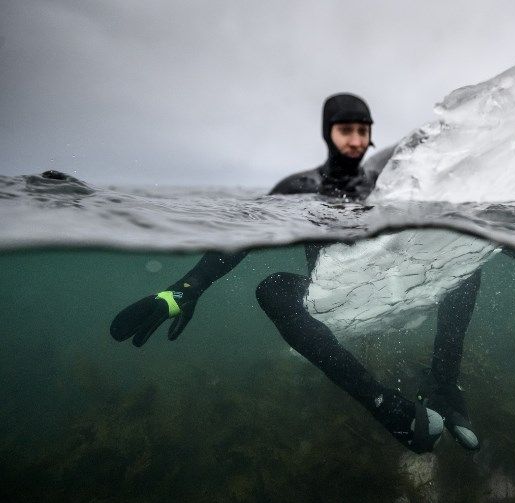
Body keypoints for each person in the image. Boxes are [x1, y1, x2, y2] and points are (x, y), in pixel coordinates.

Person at [110, 93, 481, 453]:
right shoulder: (302, 188)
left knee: (464, 263)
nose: (355, 140)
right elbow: (244, 234)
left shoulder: (395, 183)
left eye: (362, 131)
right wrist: (189, 286)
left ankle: (444, 386)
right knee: (273, 289)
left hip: (401, 286)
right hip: (337, 299)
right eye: (344, 130)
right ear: (327, 134)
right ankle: (385, 405)